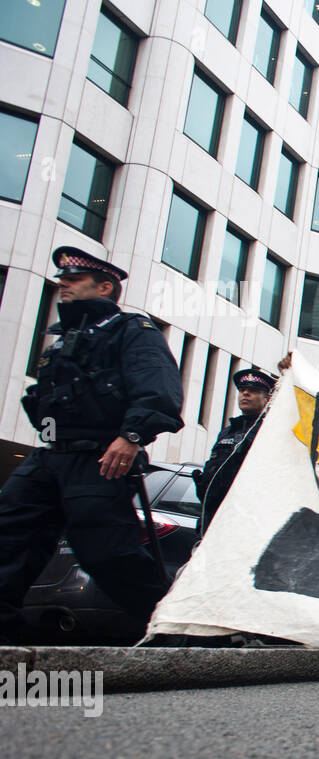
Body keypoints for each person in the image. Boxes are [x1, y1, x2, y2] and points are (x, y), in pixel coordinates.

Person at [0, 247, 183, 634]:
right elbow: (44, 402)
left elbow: (159, 390)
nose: (62, 286)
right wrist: (48, 443)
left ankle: (173, 629)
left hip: (101, 458)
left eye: (72, 280)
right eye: (61, 280)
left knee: (107, 554)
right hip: (52, 459)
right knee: (9, 536)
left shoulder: (132, 330)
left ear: (104, 287)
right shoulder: (63, 340)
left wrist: (131, 436)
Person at [192, 368, 277, 535]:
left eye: (253, 391)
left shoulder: (268, 430)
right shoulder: (227, 432)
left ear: (267, 399)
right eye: (242, 390)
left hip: (244, 521)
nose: (245, 394)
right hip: (212, 519)